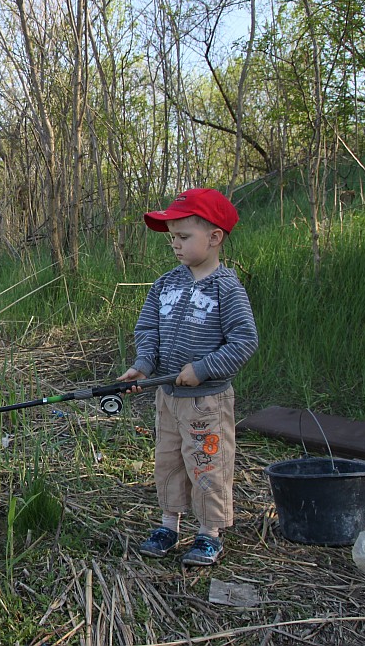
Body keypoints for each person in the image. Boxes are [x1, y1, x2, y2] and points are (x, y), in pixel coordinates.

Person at [117, 188, 258, 566]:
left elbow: (244, 341)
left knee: (207, 464)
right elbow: (148, 329)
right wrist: (143, 365)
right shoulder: (165, 284)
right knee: (169, 462)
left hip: (207, 402)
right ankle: (169, 525)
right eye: (172, 238)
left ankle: (209, 532)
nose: (175, 245)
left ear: (214, 238)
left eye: (183, 237)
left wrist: (203, 369)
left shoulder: (226, 288)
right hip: (167, 398)